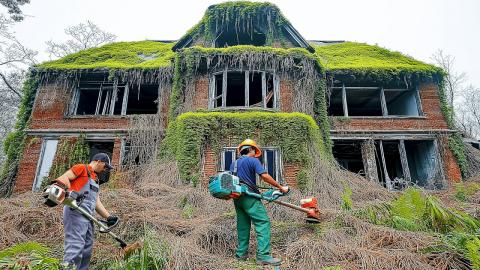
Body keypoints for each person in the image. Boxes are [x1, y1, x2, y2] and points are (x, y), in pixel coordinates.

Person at [53, 152, 119, 270]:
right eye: (105, 167)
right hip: (75, 211)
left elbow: (95, 201)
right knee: (75, 245)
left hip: (88, 216)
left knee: (86, 249)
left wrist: (108, 217)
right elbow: (64, 178)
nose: (105, 170)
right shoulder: (81, 168)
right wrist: (67, 191)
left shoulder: (95, 179)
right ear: (99, 162)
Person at [230, 139, 289, 266]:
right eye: (254, 151)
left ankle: (241, 255)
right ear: (251, 149)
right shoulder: (253, 160)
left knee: (243, 225)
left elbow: (239, 180)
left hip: (237, 197)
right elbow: (265, 176)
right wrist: (280, 187)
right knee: (263, 222)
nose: (255, 153)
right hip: (249, 197)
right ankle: (263, 255)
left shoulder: (234, 163)